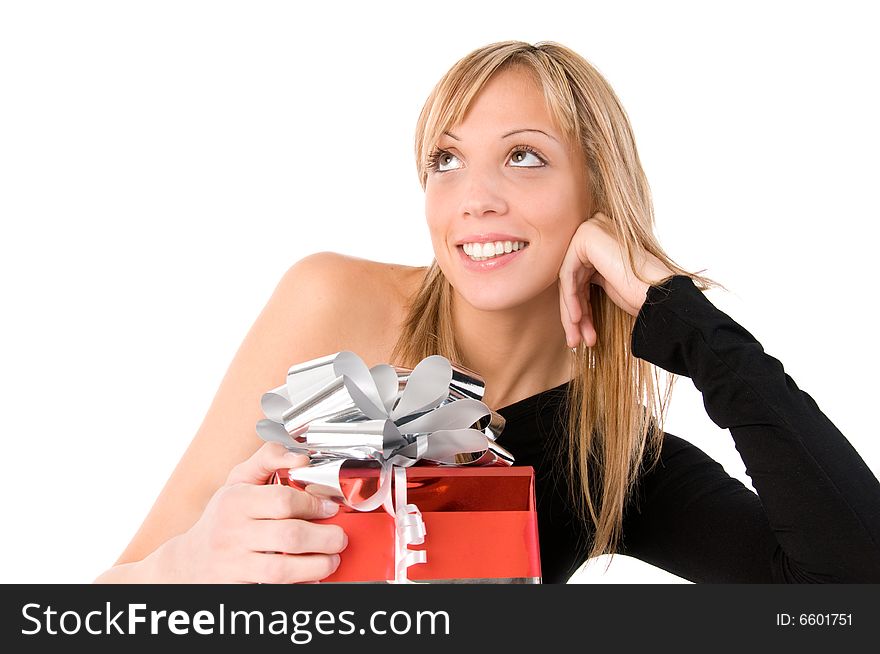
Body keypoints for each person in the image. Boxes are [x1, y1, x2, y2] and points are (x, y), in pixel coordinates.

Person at [95, 40, 880, 584]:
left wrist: (688, 320)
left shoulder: (608, 462)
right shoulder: (333, 302)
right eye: (446, 160)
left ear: (599, 198)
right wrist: (189, 564)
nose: (474, 199)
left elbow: (845, 598)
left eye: (525, 156)